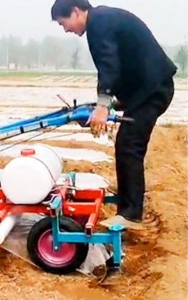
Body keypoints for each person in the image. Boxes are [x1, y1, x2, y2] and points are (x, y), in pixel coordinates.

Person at [51, 0, 177, 230]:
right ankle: (129, 204)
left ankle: (130, 213)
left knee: (129, 145)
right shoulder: (103, 19)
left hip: (153, 91)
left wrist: (103, 105)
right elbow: (116, 63)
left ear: (76, 11)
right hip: (146, 90)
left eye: (63, 23)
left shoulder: (99, 23)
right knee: (127, 145)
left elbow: (110, 66)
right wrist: (114, 102)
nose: (66, 29)